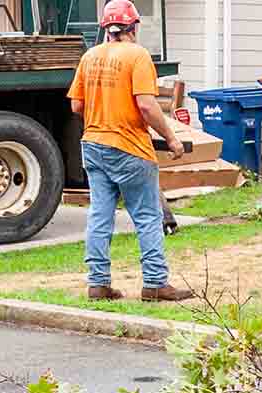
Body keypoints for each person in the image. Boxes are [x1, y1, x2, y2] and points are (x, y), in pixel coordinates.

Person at [67, 0, 193, 301]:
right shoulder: (137, 56)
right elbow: (147, 106)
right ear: (132, 27)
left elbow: (77, 105)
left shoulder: (90, 56)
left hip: (94, 146)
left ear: (106, 29)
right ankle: (155, 284)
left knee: (100, 215)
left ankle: (97, 283)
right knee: (148, 216)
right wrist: (172, 139)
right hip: (130, 148)